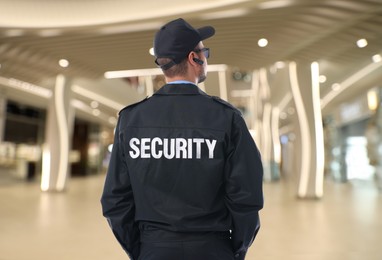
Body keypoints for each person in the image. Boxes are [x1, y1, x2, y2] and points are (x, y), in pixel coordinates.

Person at [101, 18, 264, 260]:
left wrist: (141, 249)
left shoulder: (131, 120)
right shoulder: (226, 118)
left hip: (153, 247)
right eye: (203, 52)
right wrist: (235, 251)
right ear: (193, 58)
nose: (205, 58)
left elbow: (116, 201)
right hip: (213, 248)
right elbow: (246, 198)